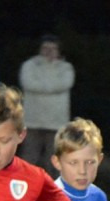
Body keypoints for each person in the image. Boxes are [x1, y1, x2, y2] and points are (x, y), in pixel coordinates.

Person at [18, 35, 75, 175]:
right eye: (45, 48)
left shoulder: (66, 68)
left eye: (53, 48)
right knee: (29, 158)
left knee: (54, 161)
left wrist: (42, 85)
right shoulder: (29, 65)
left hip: (56, 123)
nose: (49, 51)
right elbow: (28, 83)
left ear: (58, 50)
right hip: (32, 122)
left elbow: (65, 84)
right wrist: (52, 86)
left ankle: (53, 187)